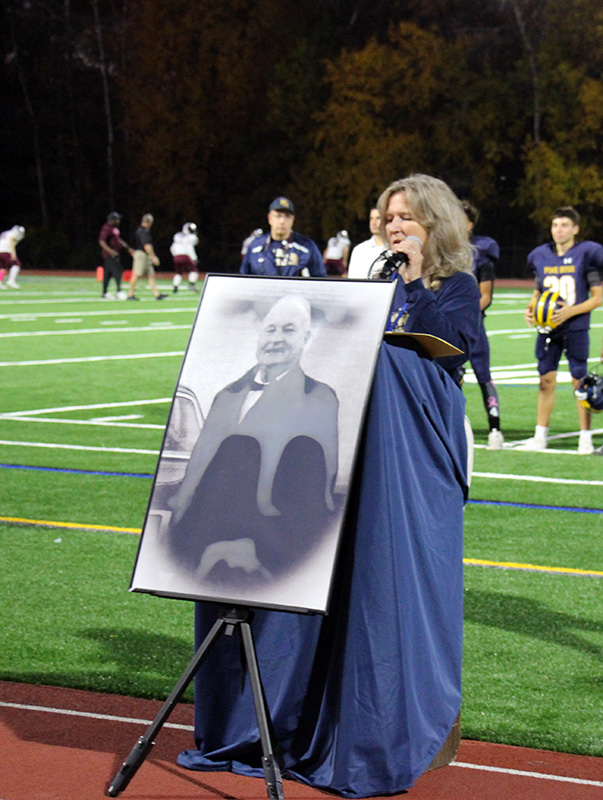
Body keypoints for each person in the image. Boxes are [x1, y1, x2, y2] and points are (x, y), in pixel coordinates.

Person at [166, 294, 339, 586]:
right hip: (203, 527)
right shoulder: (227, 394)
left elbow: (318, 484)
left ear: (305, 338)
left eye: (289, 330)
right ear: (259, 335)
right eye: (270, 329)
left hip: (269, 541)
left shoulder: (318, 398)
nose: (276, 338)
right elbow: (198, 464)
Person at [375, 174, 482, 386]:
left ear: (436, 225)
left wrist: (416, 284)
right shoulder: (385, 280)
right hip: (384, 399)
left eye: (405, 218)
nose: (394, 227)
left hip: (427, 406)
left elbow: (452, 354)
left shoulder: (458, 284)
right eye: (389, 219)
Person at [522, 205, 603, 454]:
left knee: (579, 381)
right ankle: (540, 436)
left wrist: (570, 311)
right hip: (548, 329)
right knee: (545, 380)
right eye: (555, 225)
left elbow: (598, 297)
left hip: (575, 326)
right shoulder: (541, 256)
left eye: (565, 225)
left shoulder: (586, 254)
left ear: (575, 229)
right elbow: (538, 292)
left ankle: (585, 438)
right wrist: (531, 309)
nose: (559, 230)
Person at [461, 201, 504, 450]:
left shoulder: (482, 254)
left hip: (473, 325)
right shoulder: (442, 250)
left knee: (482, 375)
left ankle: (495, 428)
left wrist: (462, 315)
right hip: (447, 327)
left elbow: (485, 296)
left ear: (469, 223)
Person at [240, 197, 326, 277]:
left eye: (287, 216)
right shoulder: (255, 247)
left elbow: (321, 281)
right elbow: (243, 279)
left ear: (292, 220)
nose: (282, 221)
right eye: (278, 216)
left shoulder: (307, 247)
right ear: (270, 218)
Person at [127, 213, 167, 301]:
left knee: (151, 275)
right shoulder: (143, 231)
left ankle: (156, 294)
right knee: (137, 274)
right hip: (142, 255)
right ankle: (130, 294)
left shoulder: (140, 230)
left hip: (143, 254)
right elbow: (147, 245)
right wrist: (153, 257)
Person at [98, 212, 133, 300]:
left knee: (108, 274)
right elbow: (102, 241)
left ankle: (105, 292)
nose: (118, 221)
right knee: (117, 272)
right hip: (110, 255)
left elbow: (119, 240)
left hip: (114, 254)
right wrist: (110, 251)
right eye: (117, 219)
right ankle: (119, 291)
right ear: (112, 220)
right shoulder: (106, 228)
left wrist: (128, 248)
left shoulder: (114, 228)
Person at [347, 206, 387, 279]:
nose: (373, 223)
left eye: (378, 218)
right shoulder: (360, 250)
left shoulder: (395, 249)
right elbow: (352, 279)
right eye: (371, 218)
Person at [170, 222, 200, 293]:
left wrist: (174, 255)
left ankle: (175, 287)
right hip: (185, 255)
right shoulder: (191, 237)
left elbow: (172, 247)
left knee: (179, 272)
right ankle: (191, 284)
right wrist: (194, 258)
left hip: (176, 256)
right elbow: (190, 248)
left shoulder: (177, 235)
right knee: (194, 270)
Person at [0, 225, 26, 289]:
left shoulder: (6, 233)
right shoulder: (13, 234)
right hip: (5, 250)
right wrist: (13, 253)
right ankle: (11, 281)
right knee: (16, 264)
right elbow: (11, 242)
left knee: (3, 268)